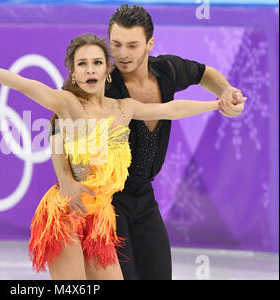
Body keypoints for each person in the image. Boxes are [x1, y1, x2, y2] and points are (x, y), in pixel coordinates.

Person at [0, 33, 238, 280]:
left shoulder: (124, 108)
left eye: (96, 63)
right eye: (82, 64)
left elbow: (172, 110)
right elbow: (24, 84)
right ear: (73, 73)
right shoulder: (67, 104)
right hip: (67, 213)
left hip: (101, 217)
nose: (90, 69)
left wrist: (216, 105)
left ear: (107, 71)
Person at [49, 4, 246, 280]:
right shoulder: (103, 83)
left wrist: (226, 92)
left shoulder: (167, 69)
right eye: (116, 45)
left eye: (132, 45)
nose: (123, 54)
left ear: (149, 43)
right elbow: (57, 129)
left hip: (144, 197)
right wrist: (66, 179)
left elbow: (205, 74)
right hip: (108, 202)